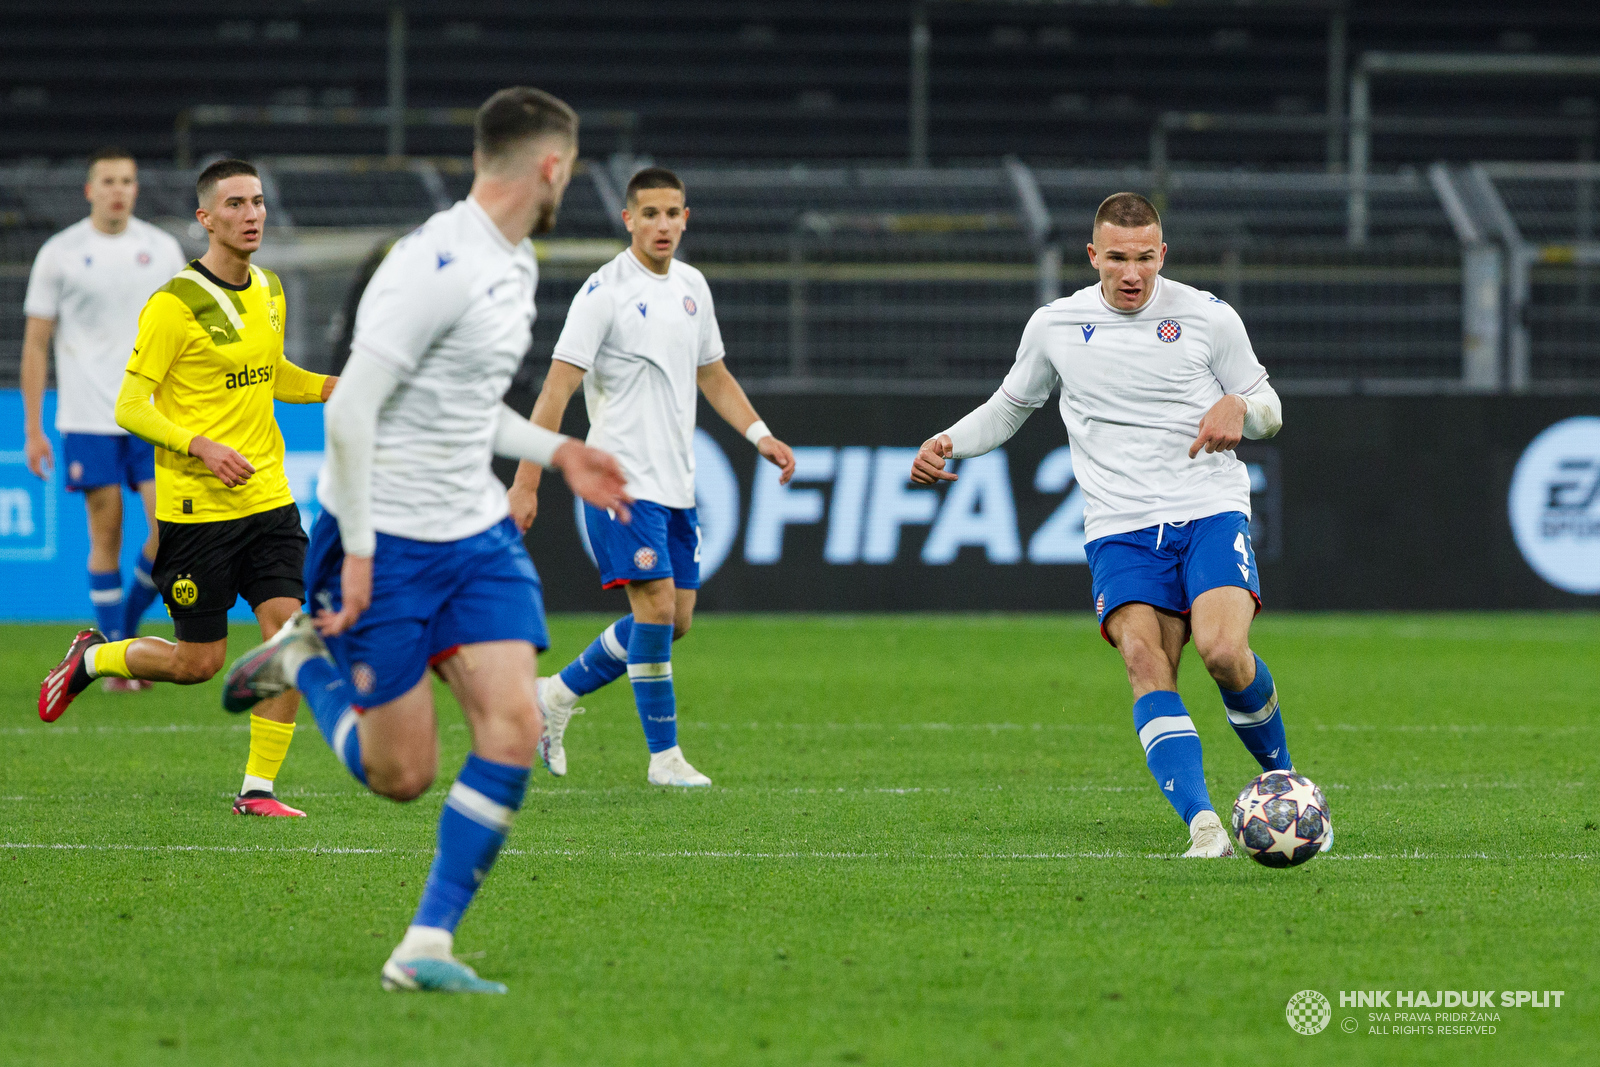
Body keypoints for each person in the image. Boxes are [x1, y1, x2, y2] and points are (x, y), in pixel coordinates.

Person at [221, 87, 631, 993]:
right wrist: (359, 551)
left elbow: (462, 405)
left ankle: (425, 946)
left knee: (515, 725)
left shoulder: (515, 262)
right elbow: (353, 410)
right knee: (402, 772)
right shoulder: (431, 262)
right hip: (389, 536)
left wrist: (559, 448)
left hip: (473, 531)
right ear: (552, 167)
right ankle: (304, 664)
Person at [910, 192, 1313, 859]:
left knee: (1220, 652)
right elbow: (1009, 407)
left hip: (1208, 506)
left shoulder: (1208, 317)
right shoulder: (1056, 325)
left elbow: (1268, 405)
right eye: (1118, 259)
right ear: (1093, 256)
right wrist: (948, 440)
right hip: (1120, 526)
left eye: (1145, 258)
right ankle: (1203, 824)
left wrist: (1239, 405)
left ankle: (1282, 778)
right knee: (1144, 660)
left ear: (1163, 255)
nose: (1132, 274)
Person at [38, 159, 336, 819]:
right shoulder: (173, 303)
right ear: (206, 218)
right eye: (234, 204)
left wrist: (322, 387)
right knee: (199, 662)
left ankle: (258, 789)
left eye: (257, 201)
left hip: (269, 501)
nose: (251, 214)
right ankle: (93, 659)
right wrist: (199, 443)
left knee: (293, 636)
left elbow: (269, 370)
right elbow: (130, 406)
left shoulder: (271, 289)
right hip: (197, 510)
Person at [506, 166, 796, 786]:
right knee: (657, 608)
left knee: (674, 619)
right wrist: (526, 482)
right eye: (651, 214)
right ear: (628, 220)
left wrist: (759, 434)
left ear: (685, 219)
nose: (663, 225)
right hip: (621, 483)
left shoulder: (692, 286)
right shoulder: (603, 293)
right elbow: (555, 392)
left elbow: (713, 374)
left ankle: (555, 694)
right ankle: (664, 759)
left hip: (676, 485)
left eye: (673, 214)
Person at [21, 147, 186, 683]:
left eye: (128, 181)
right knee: (106, 533)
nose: (119, 189)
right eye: (109, 181)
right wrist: (32, 427)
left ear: (137, 190)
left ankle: (123, 633)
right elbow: (35, 344)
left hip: (152, 415)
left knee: (170, 531)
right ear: (90, 190)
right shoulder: (60, 253)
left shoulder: (161, 250)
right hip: (88, 417)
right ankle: (118, 658)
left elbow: (186, 335)